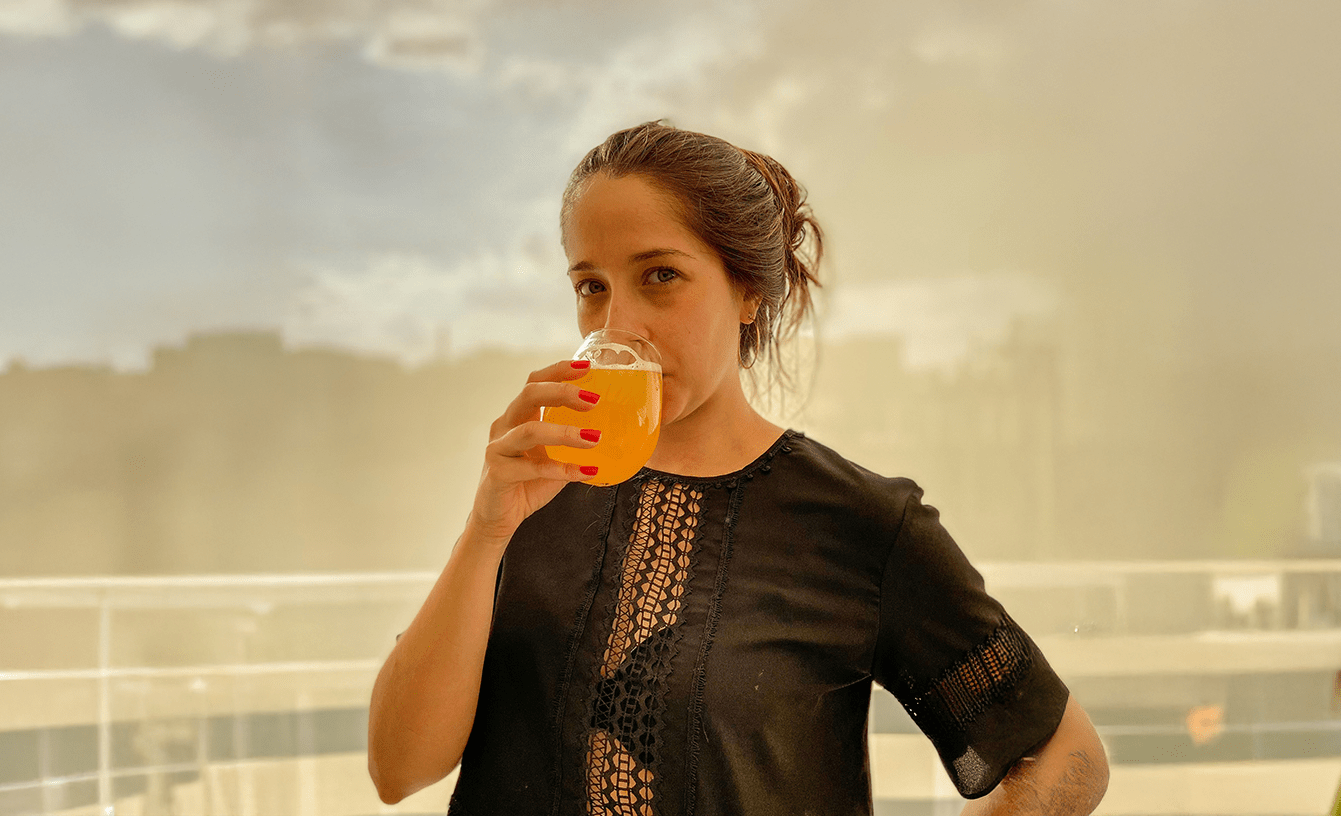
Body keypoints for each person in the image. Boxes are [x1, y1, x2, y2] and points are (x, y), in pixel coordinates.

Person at [368, 121, 1109, 815]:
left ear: (749, 290)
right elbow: (398, 768)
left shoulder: (859, 524)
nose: (615, 324)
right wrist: (485, 530)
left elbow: (1067, 753)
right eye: (591, 286)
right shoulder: (534, 490)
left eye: (659, 275)